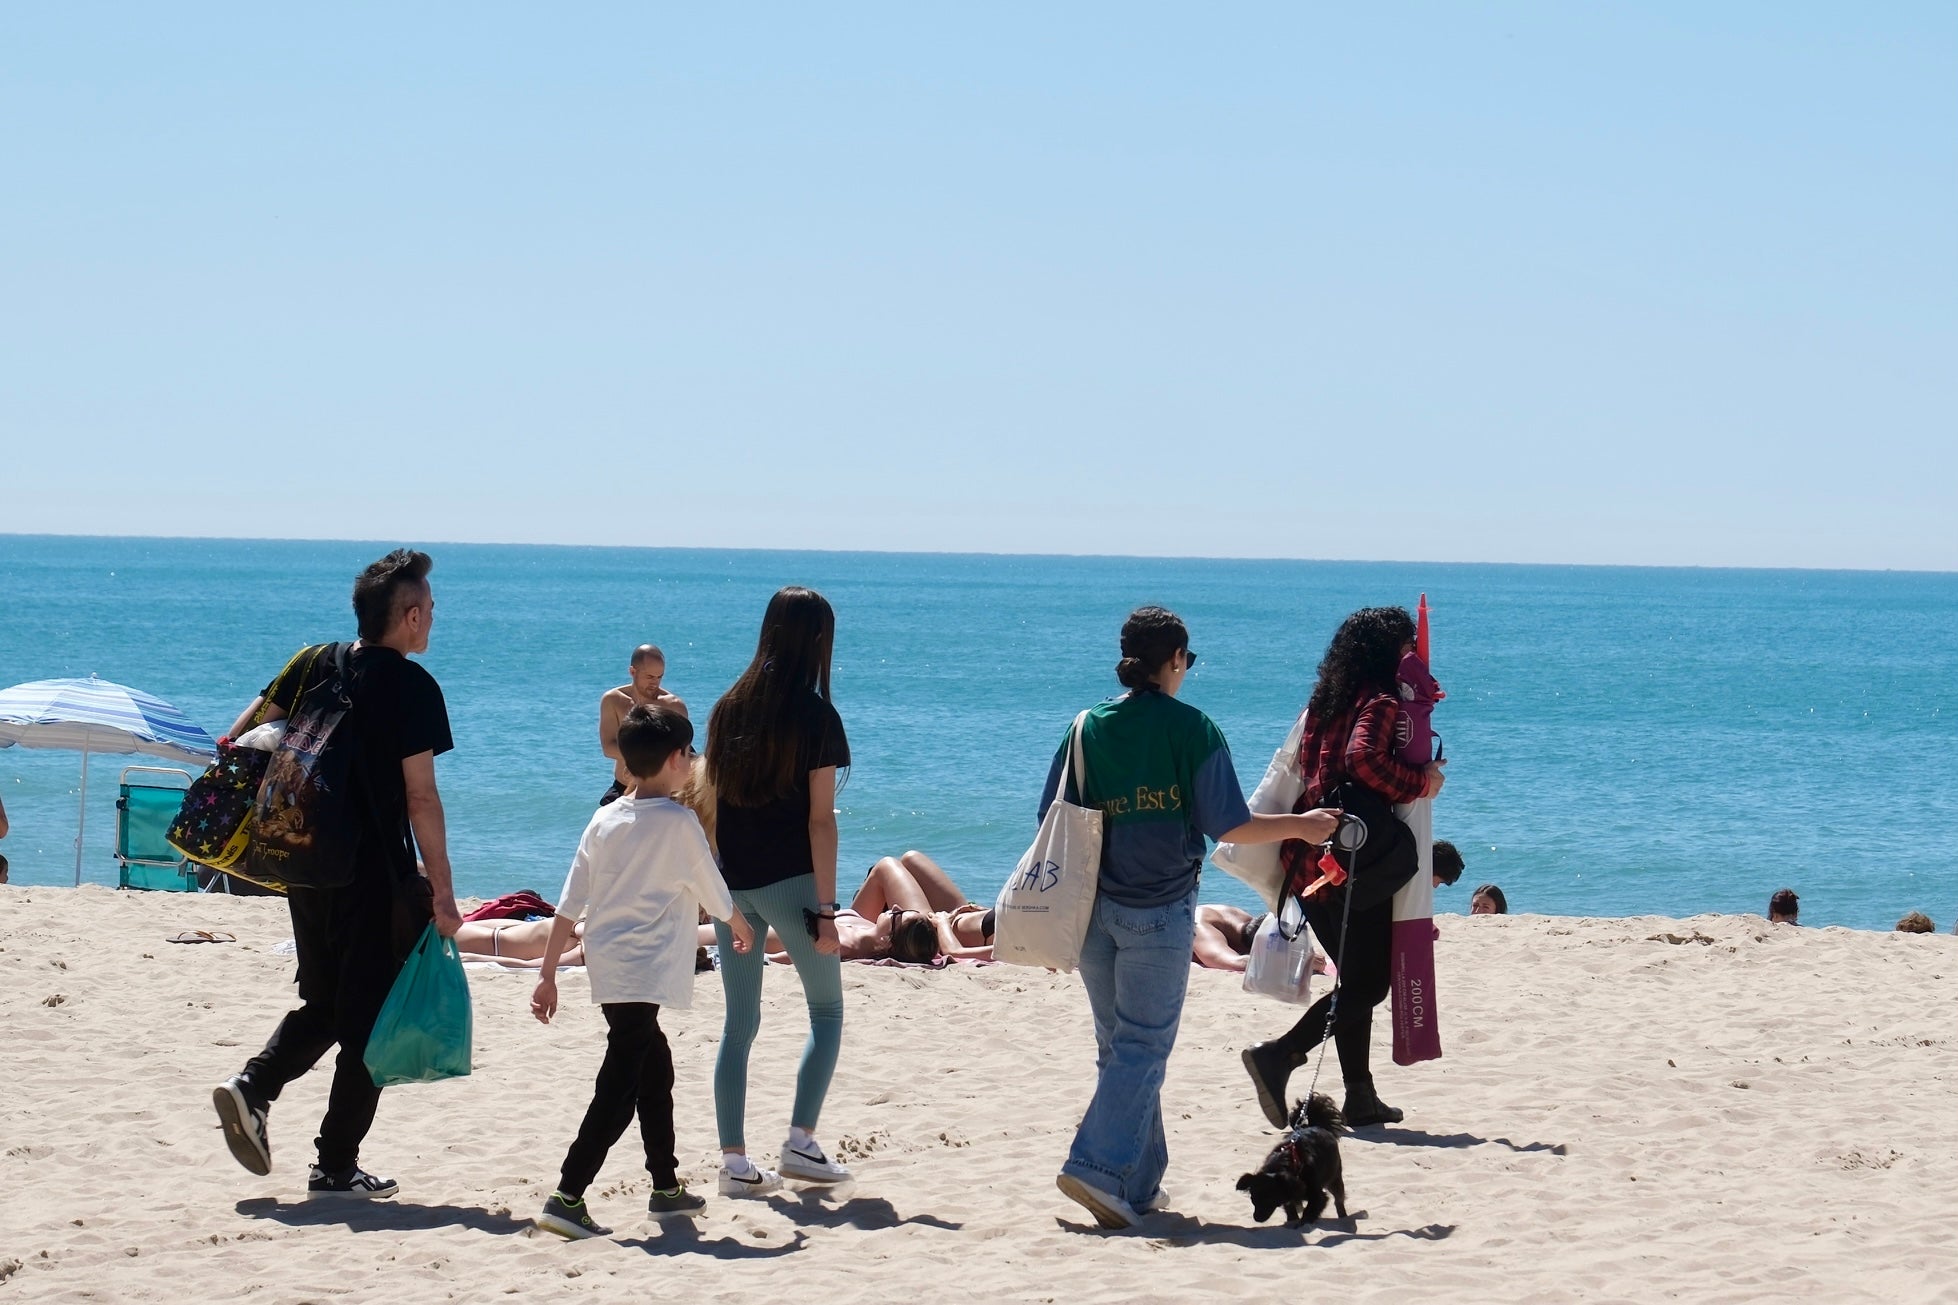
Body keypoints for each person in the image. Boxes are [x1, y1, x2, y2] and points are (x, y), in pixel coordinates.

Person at [1041, 605, 1341, 1231]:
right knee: (1142, 1050)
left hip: (1092, 910)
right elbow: (1229, 824)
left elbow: (1052, 814)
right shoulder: (1193, 728)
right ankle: (1094, 1167)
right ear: (1174, 660)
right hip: (1158, 910)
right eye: (1187, 660)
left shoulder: (1084, 728)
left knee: (1120, 1051)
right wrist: (1304, 825)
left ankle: (1139, 1185)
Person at [211, 548, 462, 1200]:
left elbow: (236, 739)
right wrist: (443, 891)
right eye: (430, 608)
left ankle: (254, 1086)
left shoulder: (314, 661)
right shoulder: (412, 687)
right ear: (408, 616)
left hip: (302, 863)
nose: (433, 618)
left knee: (328, 1004)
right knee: (373, 1022)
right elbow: (420, 798)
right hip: (373, 876)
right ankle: (335, 1164)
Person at [529, 706, 754, 1238]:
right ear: (677, 759)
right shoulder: (678, 821)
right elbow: (713, 891)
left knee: (655, 1067)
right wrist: (743, 929)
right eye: (690, 753)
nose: (694, 761)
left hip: (607, 964)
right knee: (620, 1084)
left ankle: (666, 1189)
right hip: (645, 966)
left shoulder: (605, 818)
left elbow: (569, 903)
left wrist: (547, 972)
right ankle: (568, 1195)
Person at [1241, 607, 1447, 1139]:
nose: (1412, 656)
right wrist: (1421, 783)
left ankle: (1360, 1096)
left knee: (1355, 976)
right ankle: (1279, 1055)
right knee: (1369, 984)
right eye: (1406, 646)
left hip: (1307, 859)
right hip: (1356, 862)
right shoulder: (1379, 702)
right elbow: (1364, 765)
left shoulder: (1324, 703)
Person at [706, 586, 853, 1195]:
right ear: (818, 641)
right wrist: (826, 911)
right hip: (792, 884)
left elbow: (708, 805)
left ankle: (735, 1163)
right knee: (827, 1011)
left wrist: (718, 889)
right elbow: (821, 821)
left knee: (738, 1025)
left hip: (733, 888)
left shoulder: (727, 708)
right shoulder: (816, 715)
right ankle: (800, 1143)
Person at [598, 645, 688, 806]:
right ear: (633, 672)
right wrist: (653, 756)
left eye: (659, 677)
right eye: (650, 677)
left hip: (663, 793)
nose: (655, 683)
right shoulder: (613, 700)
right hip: (623, 788)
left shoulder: (674, 706)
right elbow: (608, 747)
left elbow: (683, 752)